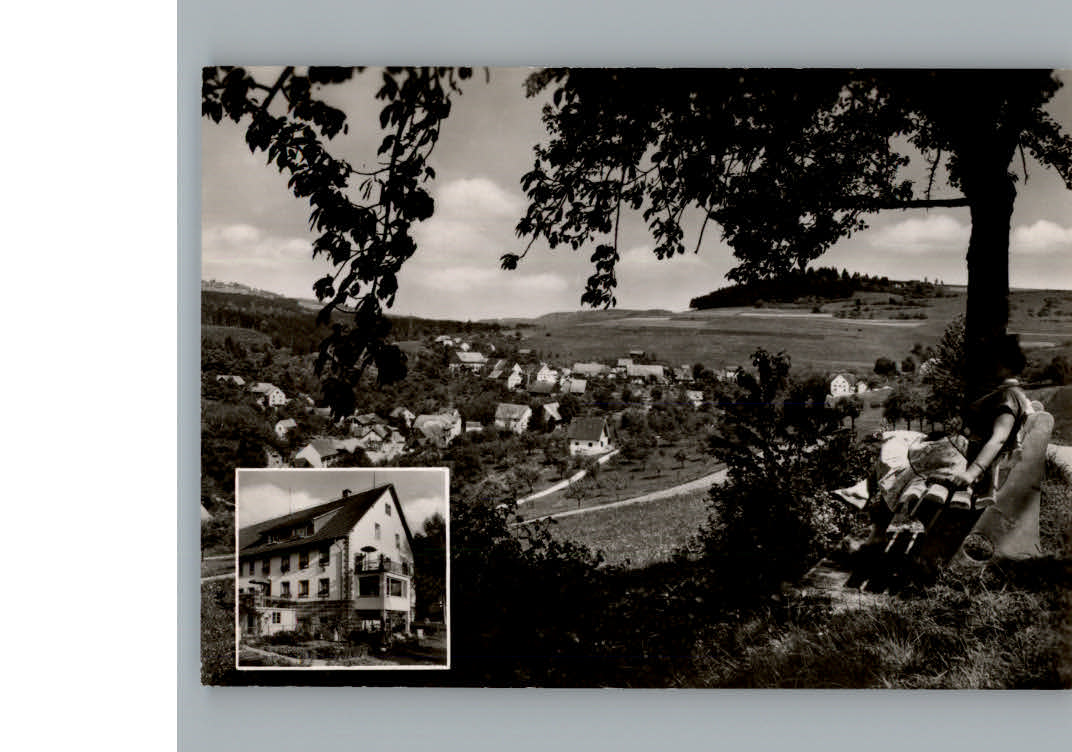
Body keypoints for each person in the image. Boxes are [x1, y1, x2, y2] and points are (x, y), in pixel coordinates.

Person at [861, 335, 1031, 547]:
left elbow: (999, 438)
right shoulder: (1009, 393)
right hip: (959, 452)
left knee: (892, 450)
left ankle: (875, 531)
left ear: (1004, 364)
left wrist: (972, 473)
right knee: (894, 444)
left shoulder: (1008, 397)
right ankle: (875, 525)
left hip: (961, 458)